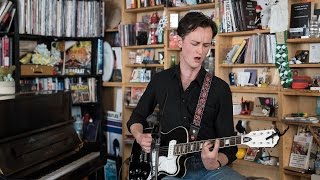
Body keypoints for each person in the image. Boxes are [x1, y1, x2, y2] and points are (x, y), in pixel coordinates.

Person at [127, 12, 245, 179]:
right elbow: (136, 118)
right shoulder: (161, 80)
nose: (200, 51)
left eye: (206, 45)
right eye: (195, 43)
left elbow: (230, 147)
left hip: (206, 168)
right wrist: (139, 136)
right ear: (180, 41)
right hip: (165, 167)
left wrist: (216, 162)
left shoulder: (220, 89)